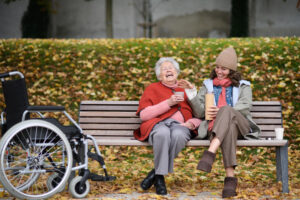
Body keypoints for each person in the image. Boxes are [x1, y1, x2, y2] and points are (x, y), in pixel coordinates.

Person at [178, 47, 261, 198]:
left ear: (232, 71)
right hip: (217, 128)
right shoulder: (208, 85)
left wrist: (224, 109)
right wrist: (192, 92)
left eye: (224, 69)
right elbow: (200, 113)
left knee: (227, 110)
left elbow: (246, 105)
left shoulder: (243, 86)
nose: (219, 71)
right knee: (228, 129)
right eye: (217, 67)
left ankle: (210, 152)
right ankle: (230, 180)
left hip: (241, 126)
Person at [134, 57, 201, 195]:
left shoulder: (185, 89)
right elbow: (144, 115)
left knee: (179, 135)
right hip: (158, 124)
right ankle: (159, 179)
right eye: (164, 69)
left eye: (171, 68)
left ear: (177, 72)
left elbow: (201, 114)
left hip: (180, 126)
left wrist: (193, 123)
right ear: (160, 75)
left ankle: (156, 174)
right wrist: (168, 103)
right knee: (162, 134)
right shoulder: (152, 88)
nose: (169, 70)